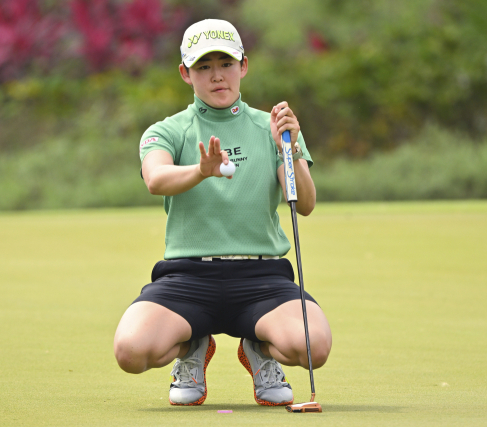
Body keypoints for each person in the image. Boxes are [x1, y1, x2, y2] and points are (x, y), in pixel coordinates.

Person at [113, 19, 332, 407]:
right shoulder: (168, 131)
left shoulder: (274, 127)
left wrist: (292, 147)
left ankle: (259, 349)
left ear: (243, 66)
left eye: (226, 64)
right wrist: (201, 170)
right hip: (188, 278)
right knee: (131, 351)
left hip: (262, 277)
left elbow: (307, 203)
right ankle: (192, 346)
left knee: (313, 346)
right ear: (186, 73)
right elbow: (156, 178)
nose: (217, 76)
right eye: (204, 67)